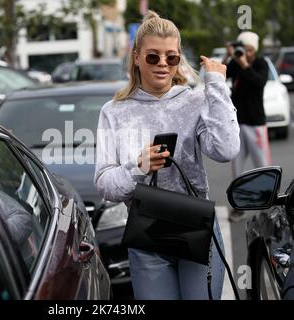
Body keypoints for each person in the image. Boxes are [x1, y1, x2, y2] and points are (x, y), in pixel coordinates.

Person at [94, 11, 240, 300]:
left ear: (178, 59)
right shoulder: (114, 111)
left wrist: (217, 86)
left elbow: (226, 150)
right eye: (153, 56)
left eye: (171, 57)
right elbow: (104, 184)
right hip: (147, 233)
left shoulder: (195, 100)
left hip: (196, 226)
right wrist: (138, 167)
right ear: (136, 57)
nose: (162, 64)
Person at [223, 31, 270, 223]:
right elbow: (222, 72)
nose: (247, 53)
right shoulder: (236, 62)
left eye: (250, 50)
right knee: (237, 170)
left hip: (256, 124)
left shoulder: (261, 63)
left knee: (263, 168)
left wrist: (244, 63)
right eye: (245, 49)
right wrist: (229, 55)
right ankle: (239, 207)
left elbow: (259, 83)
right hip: (237, 124)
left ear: (255, 50)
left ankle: (268, 207)